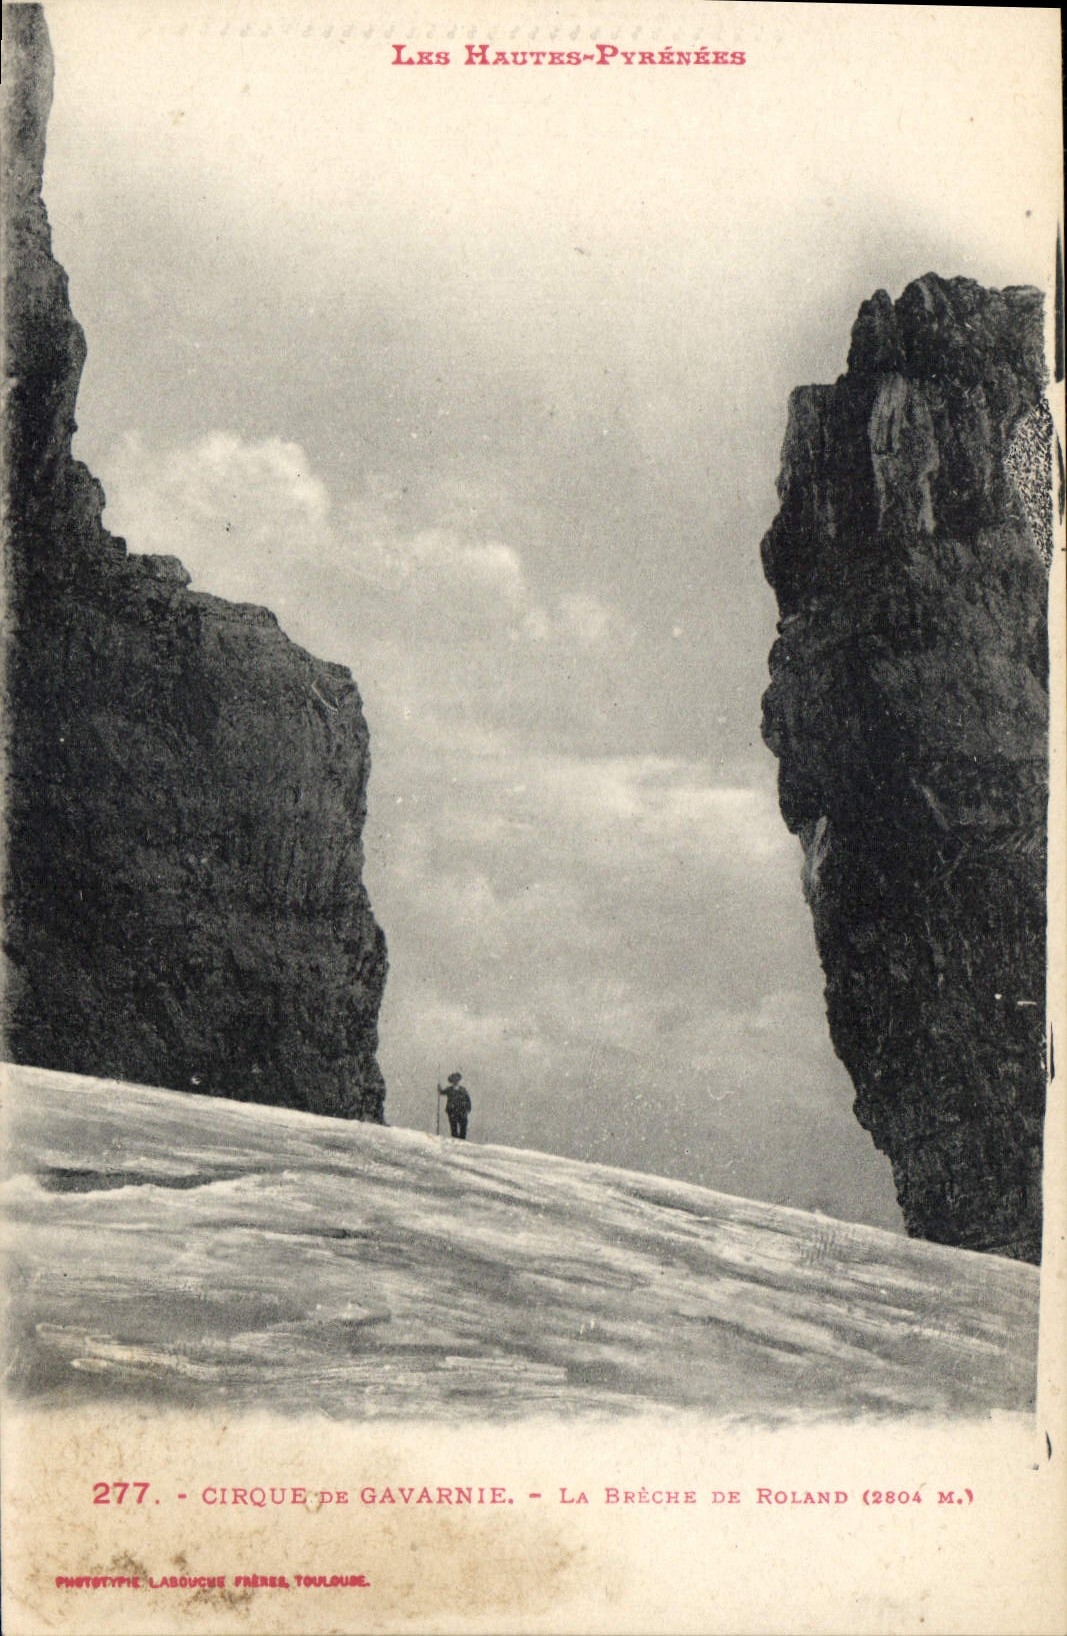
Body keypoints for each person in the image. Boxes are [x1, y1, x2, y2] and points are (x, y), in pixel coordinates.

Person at [438, 1071, 471, 1139]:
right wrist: (439, 1088)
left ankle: (462, 1140)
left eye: (456, 1079)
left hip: (462, 1110)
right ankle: (455, 1139)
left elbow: (467, 1099)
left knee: (463, 1126)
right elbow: (442, 1092)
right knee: (453, 1127)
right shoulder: (449, 1089)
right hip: (452, 1110)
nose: (455, 1081)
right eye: (453, 1079)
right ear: (452, 1081)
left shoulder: (463, 1090)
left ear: (458, 1080)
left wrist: (468, 1108)